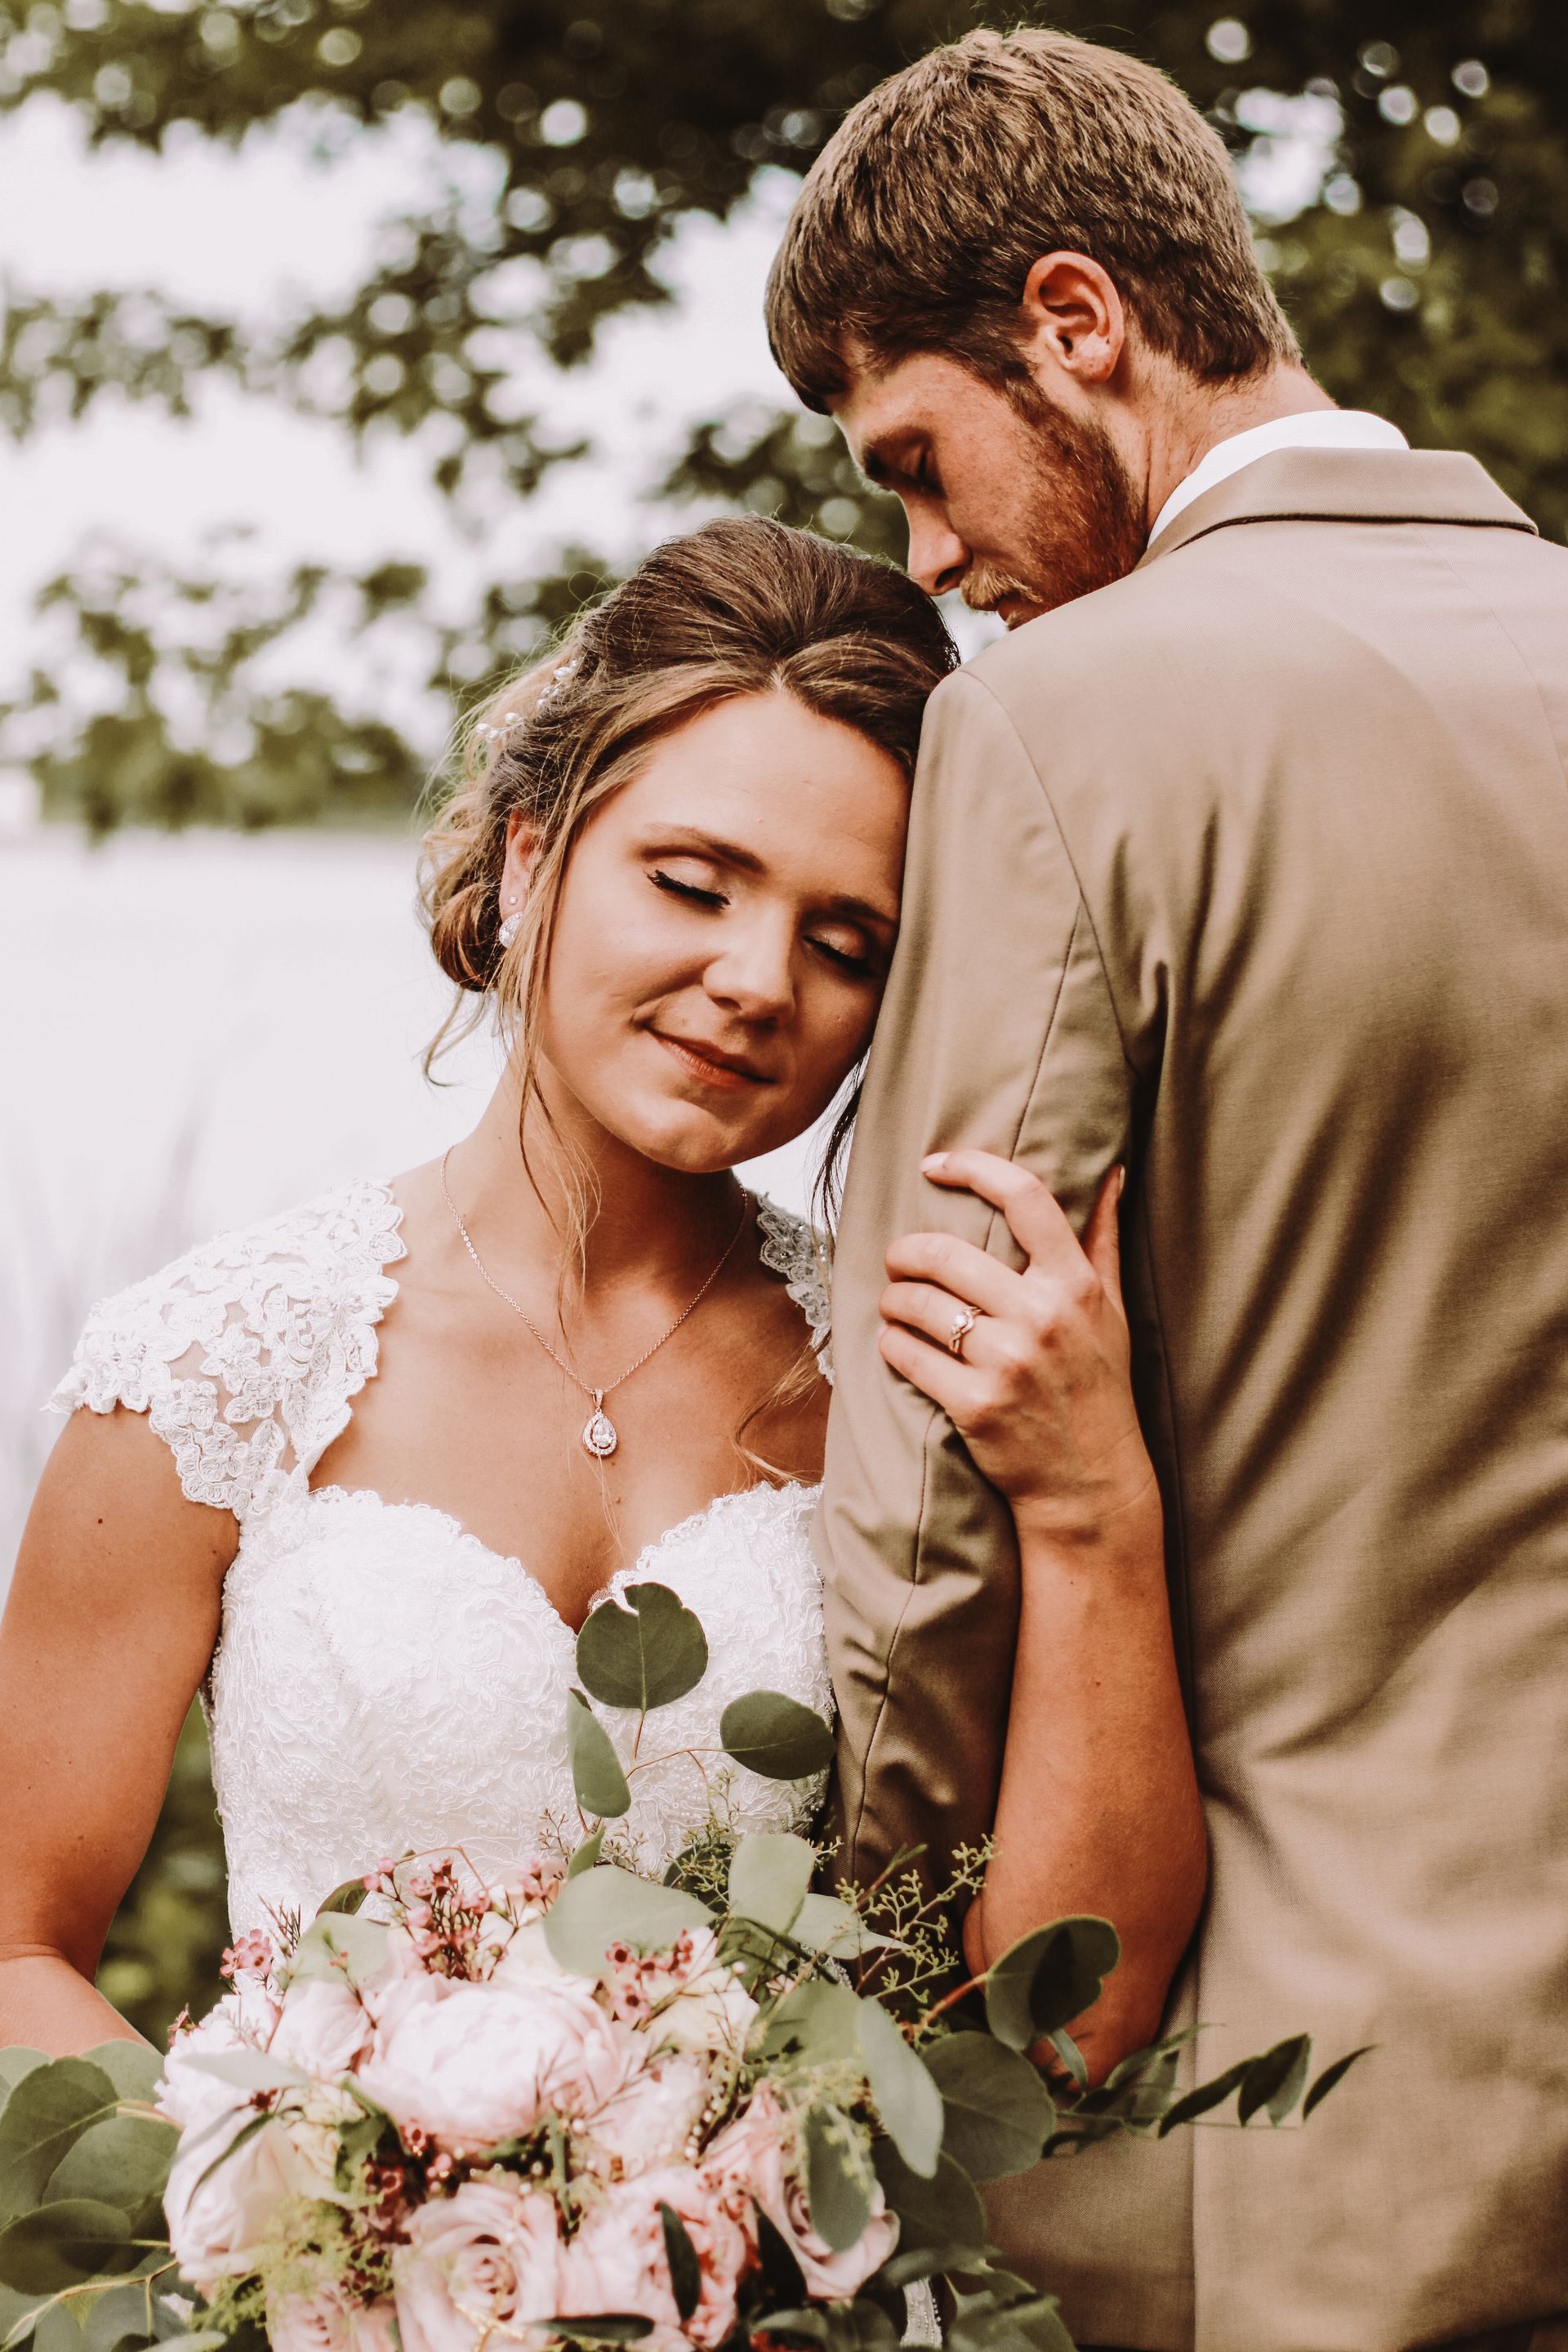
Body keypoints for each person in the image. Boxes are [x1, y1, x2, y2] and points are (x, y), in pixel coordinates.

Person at [0, 517, 1201, 2106]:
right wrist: (288, 2244)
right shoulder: (214, 1372)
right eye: (693, 883)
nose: (760, 979)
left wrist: (1096, 1510)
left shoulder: (903, 1382)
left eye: (847, 945)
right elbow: (16, 1949)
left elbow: (1069, 2025)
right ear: (528, 854)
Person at [766, 27, 1568, 2352]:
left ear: (1077, 323)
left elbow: (925, 1504)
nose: (924, 554)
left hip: (1283, 2135)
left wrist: (923, 2031)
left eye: (916, 458)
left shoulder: (1069, 725)